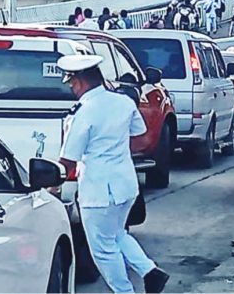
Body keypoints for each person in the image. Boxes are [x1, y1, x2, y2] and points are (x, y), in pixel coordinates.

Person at [57, 55, 169, 294]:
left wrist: (51, 185)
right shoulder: (123, 103)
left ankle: (124, 291)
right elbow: (139, 132)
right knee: (117, 234)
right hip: (125, 184)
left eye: (72, 83)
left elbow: (69, 158)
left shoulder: (83, 112)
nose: (72, 88)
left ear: (79, 81)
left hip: (99, 190)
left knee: (103, 249)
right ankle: (150, 272)